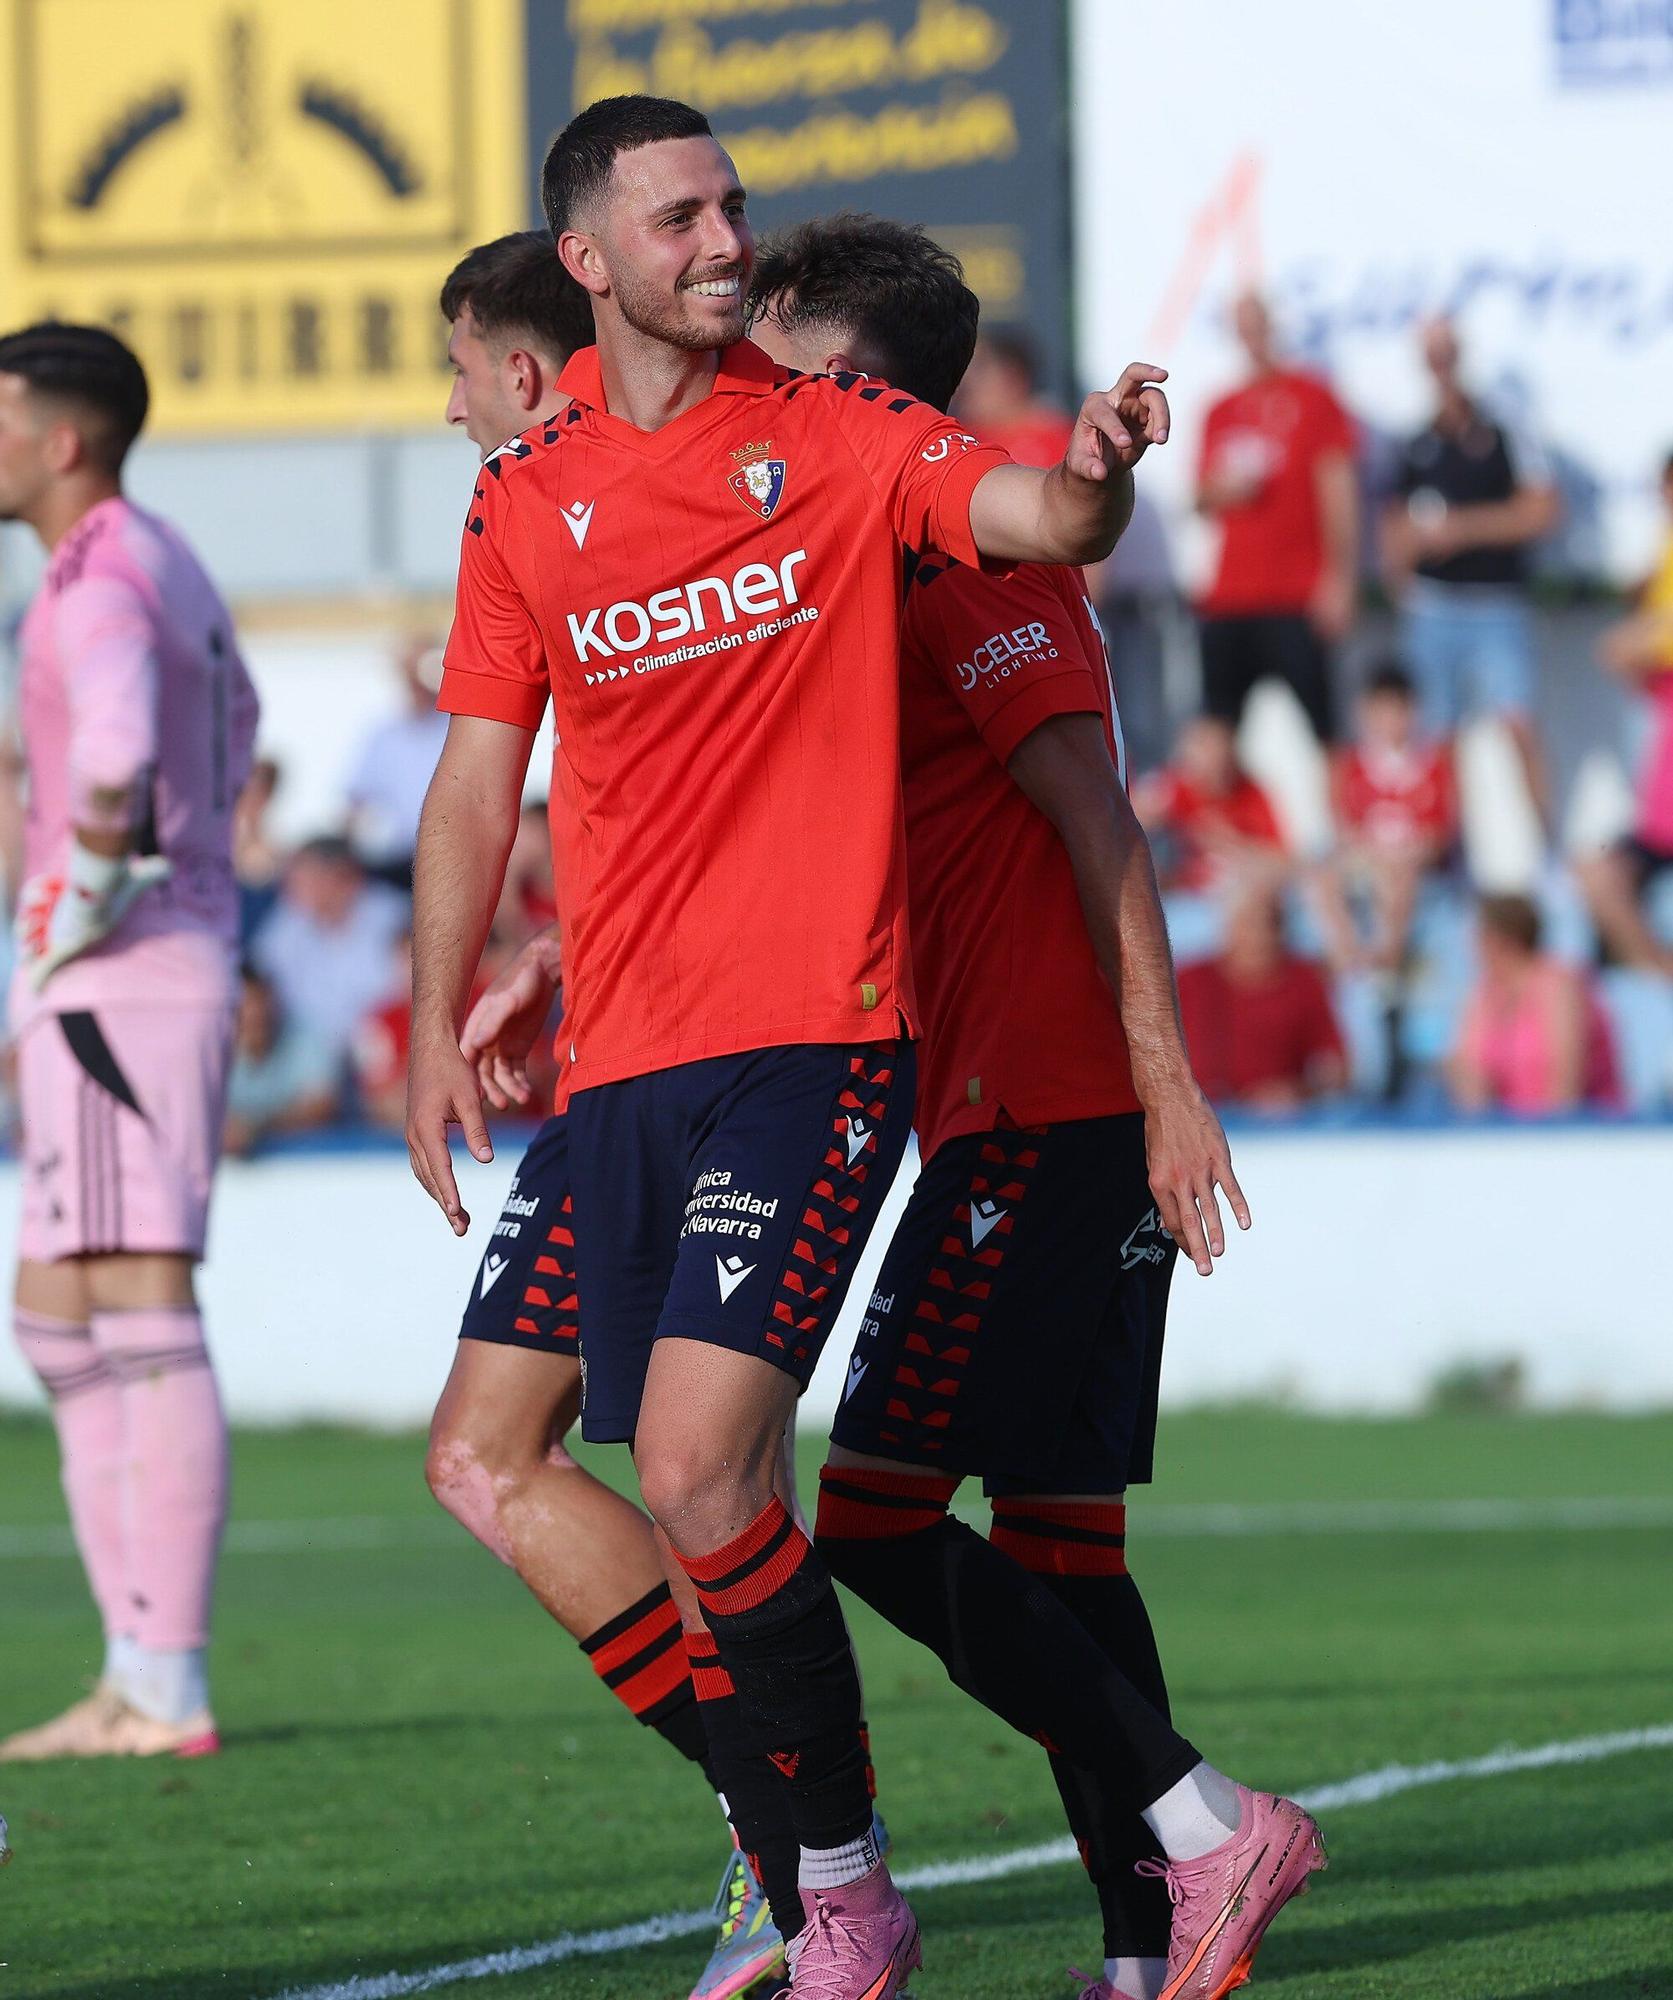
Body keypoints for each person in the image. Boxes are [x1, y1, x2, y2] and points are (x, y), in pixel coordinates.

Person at [404, 90, 1176, 2000]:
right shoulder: (537, 498)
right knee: (541, 1467)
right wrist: (475, 996)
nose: (726, 242)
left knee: (766, 1488)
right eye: (684, 218)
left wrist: (1090, 476)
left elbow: (1046, 586)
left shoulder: (848, 457)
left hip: (873, 1058)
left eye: (733, 208)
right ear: (590, 264)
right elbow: (525, 775)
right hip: (636, 1060)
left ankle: (902, 1879)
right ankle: (908, 1865)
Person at [750, 214, 1326, 2000]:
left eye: (779, 359)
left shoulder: (961, 560)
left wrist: (1160, 1090)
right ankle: (1155, 1951)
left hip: (1047, 1108)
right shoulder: (877, 557)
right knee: (1063, 1540)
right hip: (1032, 1100)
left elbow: (1100, 823)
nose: (751, 391)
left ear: (849, 383)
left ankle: (1203, 1823)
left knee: (868, 1518)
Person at [423, 228, 791, 2000]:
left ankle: (796, 1849)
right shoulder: (556, 513)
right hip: (615, 1038)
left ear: (518, 367)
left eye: (454, 368)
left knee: (687, 1470)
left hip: (721, 1058)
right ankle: (781, 1831)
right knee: (488, 1456)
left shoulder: (637, 475)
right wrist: (550, 963)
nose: (443, 409)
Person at [0, 322, 258, 1760]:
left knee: (140, 1309)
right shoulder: (165, 556)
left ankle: (162, 1682)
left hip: (121, 979)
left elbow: (114, 759)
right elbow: (236, 714)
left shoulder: (95, 577)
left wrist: (67, 911)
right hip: (147, 968)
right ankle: (132, 1669)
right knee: (57, 1318)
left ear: (62, 436)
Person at [1381, 316, 1560, 816]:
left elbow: (1541, 510)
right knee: (1437, 739)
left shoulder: (1503, 431)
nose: (1440, 366)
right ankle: (1450, 859)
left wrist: (1463, 528)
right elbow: (1394, 520)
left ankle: (1546, 853)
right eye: (1431, 356)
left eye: (1447, 353)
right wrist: (1403, 569)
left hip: (1495, 602)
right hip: (1433, 607)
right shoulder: (1417, 440)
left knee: (1519, 725)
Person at [1194, 292, 1358, 743]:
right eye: (1241, 326)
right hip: (1230, 596)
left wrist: (1339, 578)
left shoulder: (1313, 396)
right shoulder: (1221, 408)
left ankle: (1340, 815)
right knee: (1217, 730)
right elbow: (1199, 498)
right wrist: (1222, 490)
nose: (1251, 336)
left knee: (1326, 731)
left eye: (1257, 323)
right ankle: (1226, 816)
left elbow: (1338, 489)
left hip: (1297, 594)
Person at [1574, 449, 1673, 975]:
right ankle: (1660, 973)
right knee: (1594, 872)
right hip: (1661, 823)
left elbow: (1626, 647)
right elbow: (1621, 654)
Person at [1324, 661, 1456, 972]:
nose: (1390, 721)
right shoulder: (1351, 765)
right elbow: (1343, 828)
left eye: (1397, 710)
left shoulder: (1432, 763)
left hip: (1413, 864)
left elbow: (1439, 836)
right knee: (1322, 879)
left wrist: (1406, 856)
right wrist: (1369, 854)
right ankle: (1348, 957)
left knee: (1398, 878)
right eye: (1380, 711)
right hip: (1366, 858)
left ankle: (1388, 957)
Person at [1176, 886, 1348, 1114]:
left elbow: (1333, 1065)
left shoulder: (1304, 979)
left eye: (1269, 923)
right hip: (1195, 1113)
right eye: (1248, 923)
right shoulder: (1189, 980)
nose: (1258, 933)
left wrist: (1300, 1092)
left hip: (1277, 1122)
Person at [1449, 895, 1621, 1116]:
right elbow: (1468, 1073)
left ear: (1500, 941)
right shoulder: (1484, 993)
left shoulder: (1559, 986)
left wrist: (1543, 1140)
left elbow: (1566, 1080)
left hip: (1575, 1133)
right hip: (1510, 1135)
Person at [249, 836, 407, 1067]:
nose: (292, 890)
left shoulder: (392, 916)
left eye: (306, 879)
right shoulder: (288, 922)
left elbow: (405, 997)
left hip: (384, 1056)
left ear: (341, 876)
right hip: (307, 1062)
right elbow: (259, 981)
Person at [1134, 714, 1286, 896]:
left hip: (1236, 893)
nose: (1215, 764)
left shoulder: (1250, 792)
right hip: (1184, 897)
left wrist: (1235, 845)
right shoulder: (1174, 788)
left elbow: (1283, 859)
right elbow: (1134, 818)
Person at [342, 638, 451, 888]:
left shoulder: (457, 728)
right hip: (396, 858)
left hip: (453, 851)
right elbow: (355, 802)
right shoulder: (382, 734)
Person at [223, 964, 339, 1154]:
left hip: (300, 1162)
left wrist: (257, 1127)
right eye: (245, 1014)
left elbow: (322, 1106)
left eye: (260, 1007)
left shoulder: (303, 1039)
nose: (256, 1017)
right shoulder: (211, 1050)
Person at [954, 326, 1075, 466]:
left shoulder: (1065, 442)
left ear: (1013, 375)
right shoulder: (952, 439)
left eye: (979, 369)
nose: (965, 381)